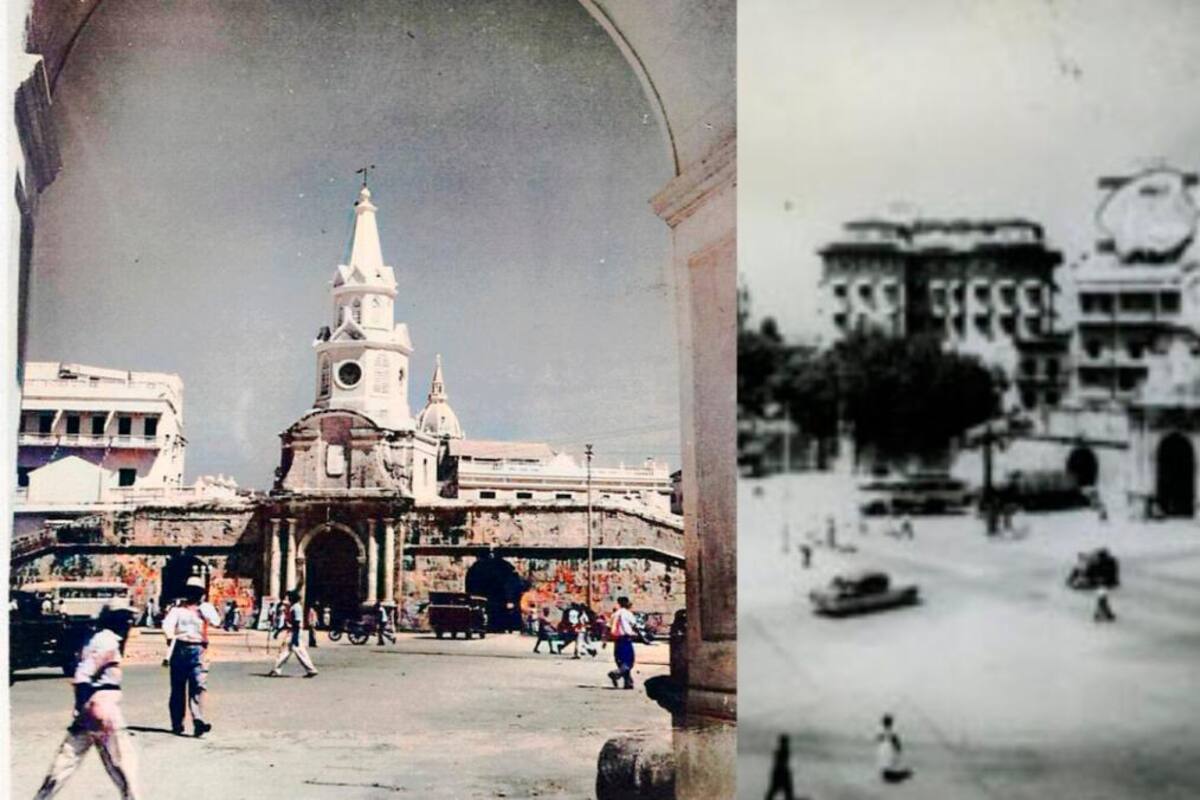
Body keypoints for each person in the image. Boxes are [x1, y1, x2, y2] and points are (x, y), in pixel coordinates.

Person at [33, 606, 140, 800]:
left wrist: (80, 710)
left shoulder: (95, 639)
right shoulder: (108, 643)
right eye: (126, 618)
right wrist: (86, 705)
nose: (129, 623)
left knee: (66, 760)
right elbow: (82, 675)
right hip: (103, 707)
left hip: (89, 708)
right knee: (122, 762)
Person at [161, 576, 221, 737]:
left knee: (198, 685)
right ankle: (177, 723)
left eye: (197, 592)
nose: (195, 595)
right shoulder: (177, 610)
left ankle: (198, 721)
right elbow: (167, 625)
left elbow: (216, 621)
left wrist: (205, 612)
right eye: (192, 592)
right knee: (178, 689)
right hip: (180, 648)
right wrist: (169, 636)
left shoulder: (205, 608)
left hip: (198, 649)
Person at [269, 590, 319, 678]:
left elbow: (297, 621)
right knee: (295, 651)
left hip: (295, 632)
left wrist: (295, 636)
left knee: (287, 651)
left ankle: (276, 669)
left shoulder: (296, 607)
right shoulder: (292, 607)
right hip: (293, 631)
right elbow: (288, 622)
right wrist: (279, 631)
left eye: (288, 597)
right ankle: (311, 669)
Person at [607, 596, 637, 690]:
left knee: (620, 660)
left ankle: (628, 682)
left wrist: (604, 640)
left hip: (617, 640)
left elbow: (608, 627)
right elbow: (634, 624)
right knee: (629, 661)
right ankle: (616, 673)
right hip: (626, 638)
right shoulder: (628, 613)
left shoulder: (614, 614)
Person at [876, 714, 912, 783]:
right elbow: (899, 749)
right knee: (908, 773)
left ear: (883, 723)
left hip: (882, 770)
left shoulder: (880, 735)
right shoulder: (893, 735)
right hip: (890, 769)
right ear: (891, 723)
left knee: (903, 772)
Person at [764, 734, 795, 800]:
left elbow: (780, 763)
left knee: (773, 792)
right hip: (782, 773)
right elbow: (782, 763)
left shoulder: (781, 751)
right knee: (787, 793)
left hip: (779, 773)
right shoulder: (784, 751)